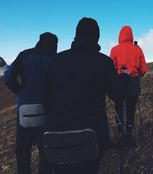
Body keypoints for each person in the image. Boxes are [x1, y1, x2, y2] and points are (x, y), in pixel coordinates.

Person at [44, 18, 119, 174]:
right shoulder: (105, 62)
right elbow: (117, 95)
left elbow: (44, 98)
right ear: (97, 37)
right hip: (93, 138)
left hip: (56, 136)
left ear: (76, 35)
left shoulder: (56, 60)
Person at [4, 32, 58, 174]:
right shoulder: (54, 58)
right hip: (46, 109)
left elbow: (8, 78)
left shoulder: (24, 55)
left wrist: (21, 92)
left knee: (23, 149)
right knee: (45, 148)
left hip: (25, 109)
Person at [110, 26, 148, 139]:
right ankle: (129, 131)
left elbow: (111, 68)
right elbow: (144, 69)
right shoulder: (137, 49)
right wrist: (137, 75)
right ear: (131, 35)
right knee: (131, 109)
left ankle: (120, 131)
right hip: (134, 82)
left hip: (119, 82)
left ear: (120, 36)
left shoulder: (115, 49)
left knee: (119, 107)